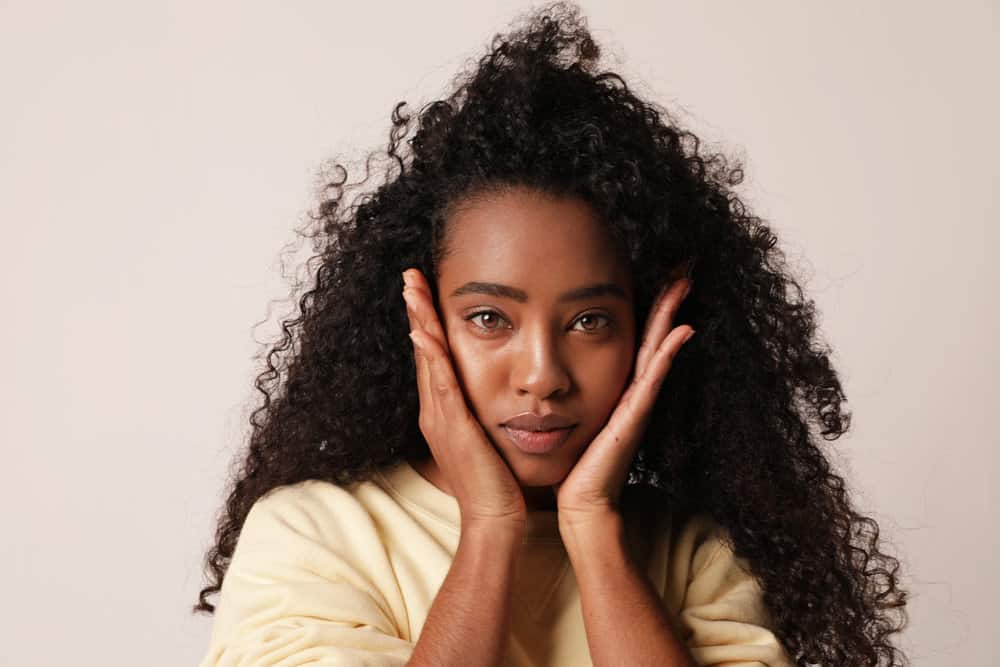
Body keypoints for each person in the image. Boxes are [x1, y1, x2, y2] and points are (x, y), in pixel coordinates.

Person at [192, 3, 909, 665]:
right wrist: (489, 526)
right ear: (417, 320)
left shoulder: (693, 554)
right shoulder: (313, 535)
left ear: (651, 332)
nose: (542, 374)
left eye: (589, 321)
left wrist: (594, 528)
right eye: (489, 318)